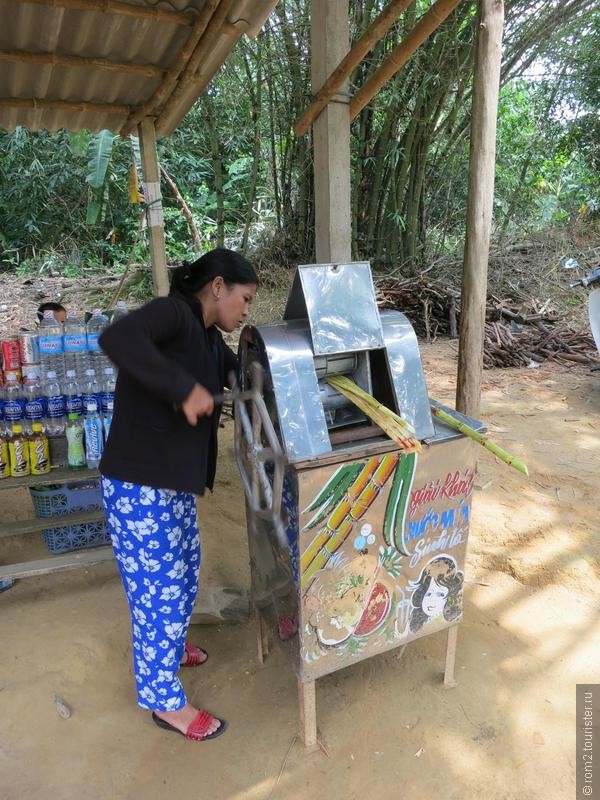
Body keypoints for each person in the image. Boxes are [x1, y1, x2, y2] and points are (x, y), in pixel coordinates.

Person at [98, 248, 257, 742]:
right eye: (245, 299)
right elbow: (117, 337)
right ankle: (164, 702)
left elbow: (236, 372)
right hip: (138, 486)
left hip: (169, 484)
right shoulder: (173, 314)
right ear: (216, 287)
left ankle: (167, 649)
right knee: (157, 593)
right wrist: (182, 389)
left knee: (185, 570)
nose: (246, 310)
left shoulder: (209, 337)